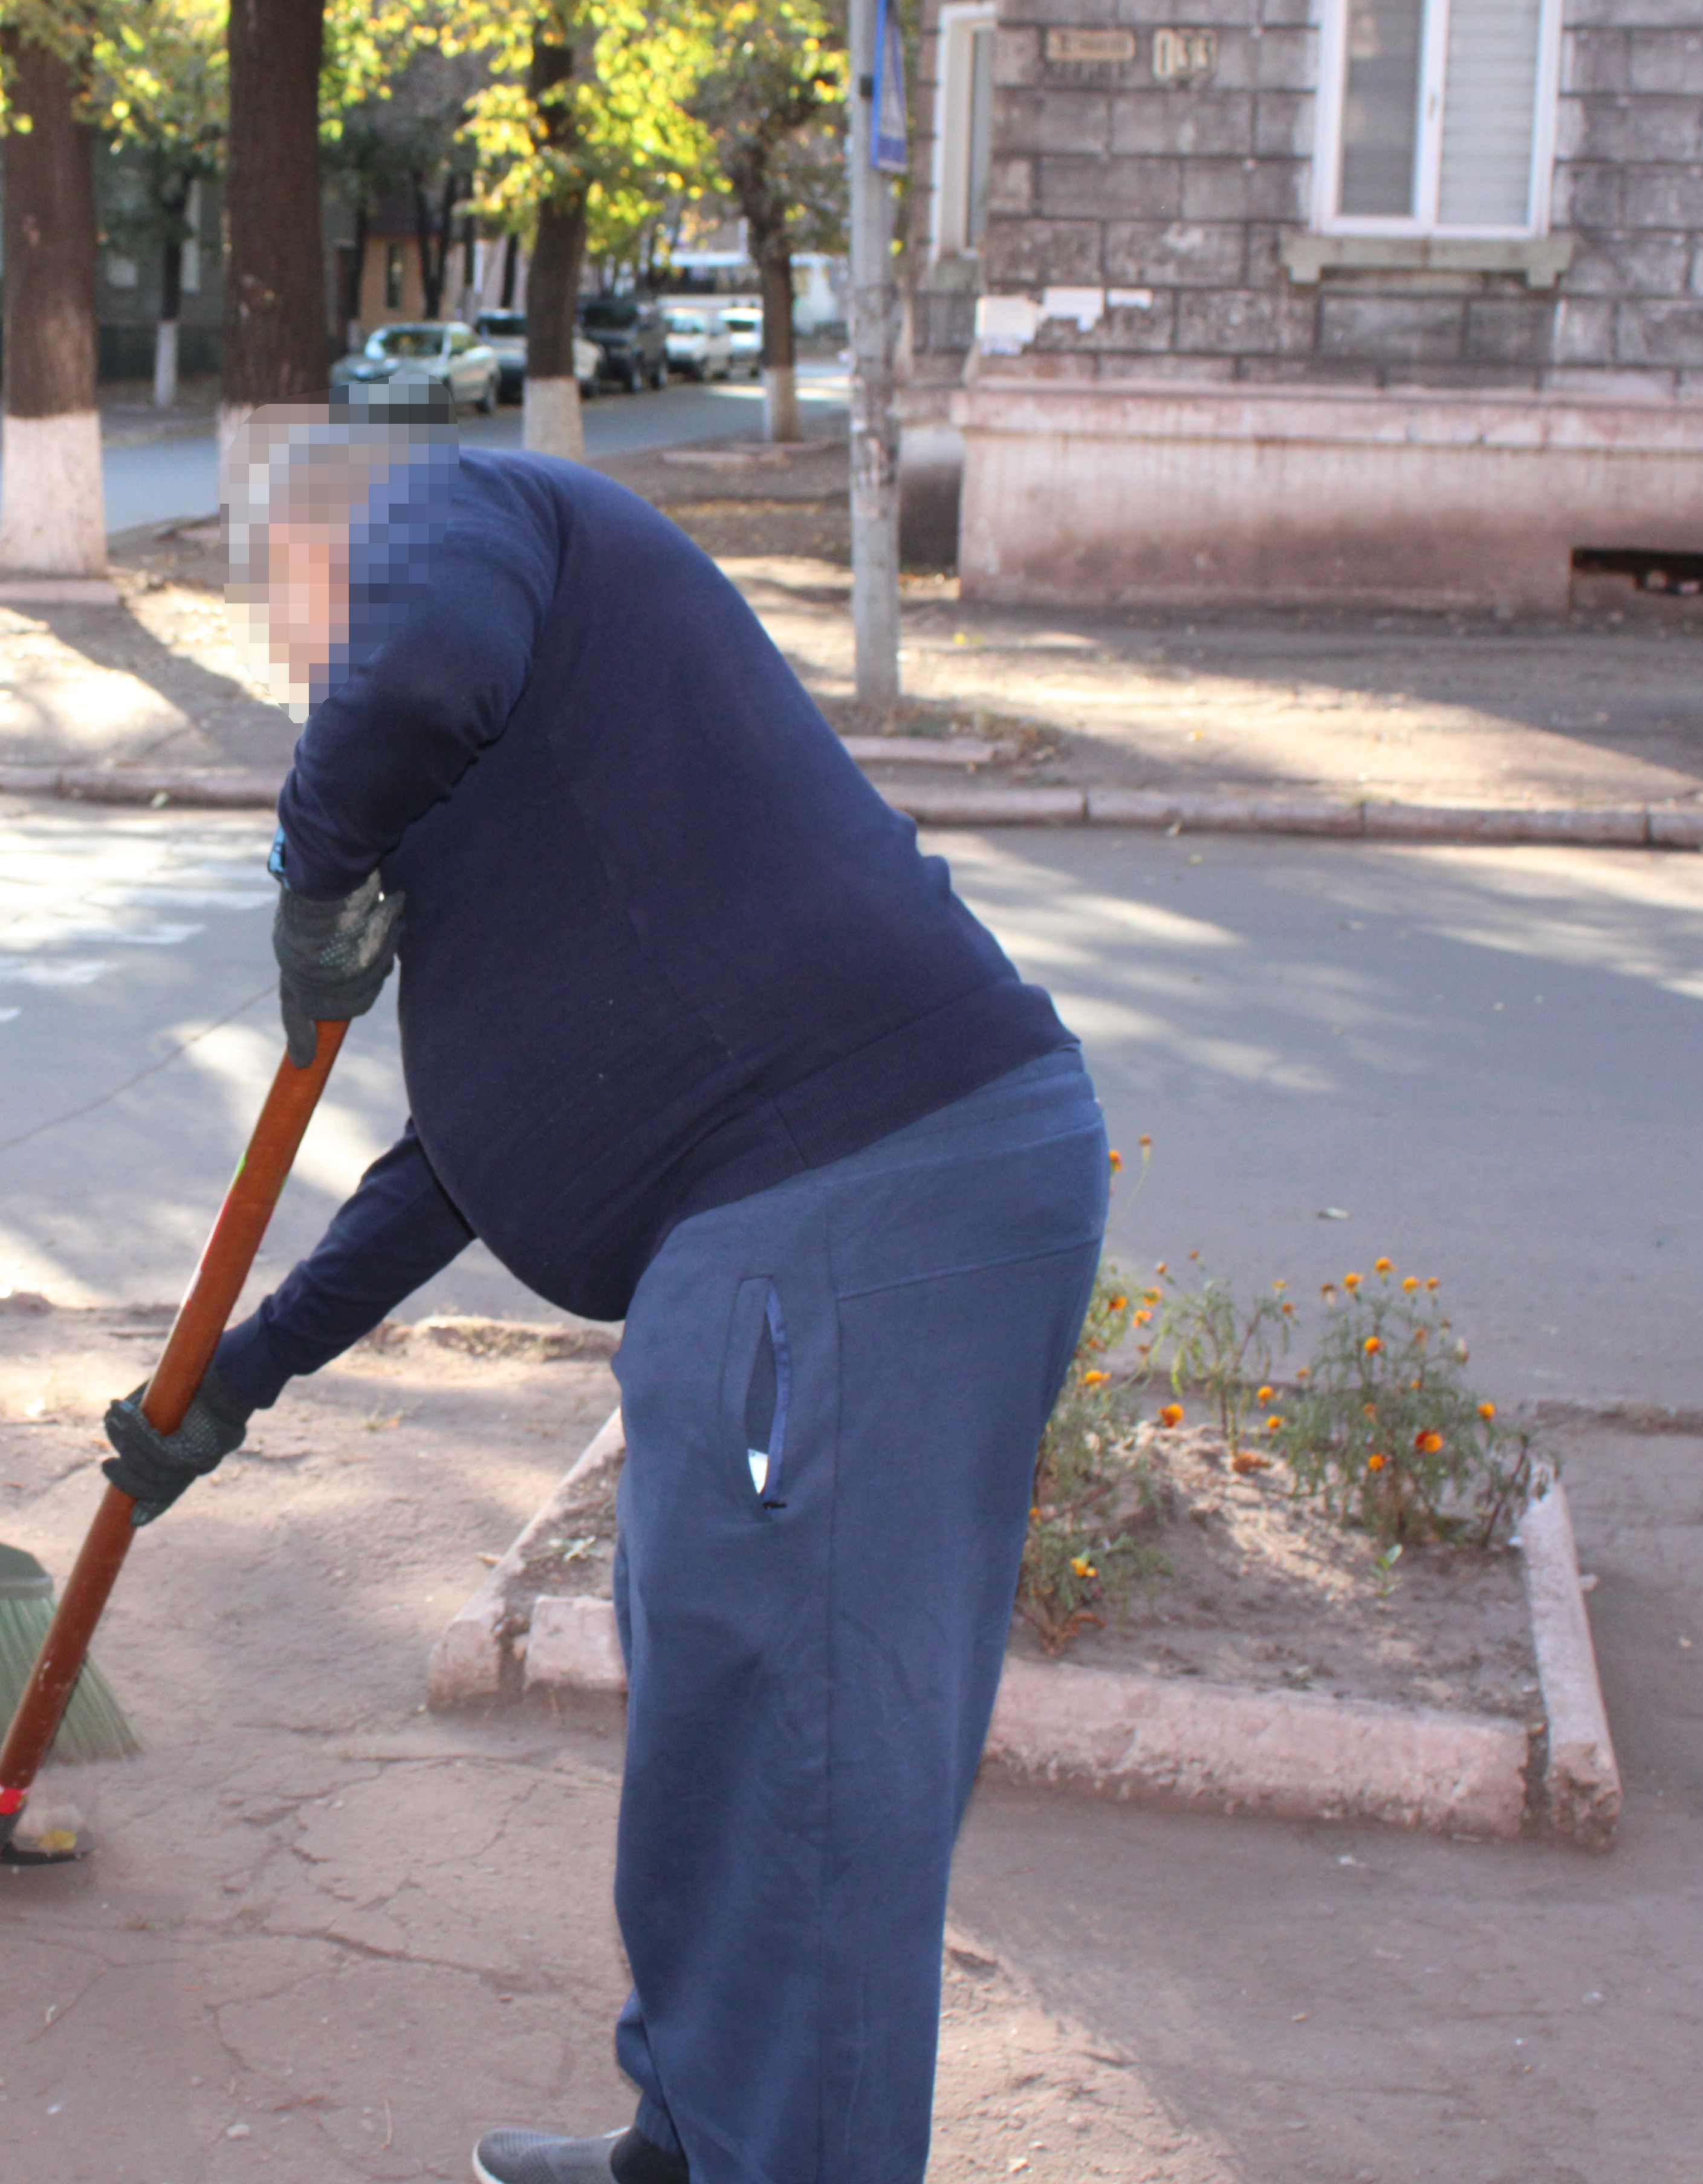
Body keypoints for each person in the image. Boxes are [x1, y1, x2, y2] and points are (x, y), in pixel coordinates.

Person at [97, 426, 1109, 2184]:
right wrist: (245, 1376)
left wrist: (320, 864)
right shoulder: (526, 762)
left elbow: (405, 670)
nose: (295, 674)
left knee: (807, 1790)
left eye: (288, 626)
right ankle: (693, 2144)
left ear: (323, 545)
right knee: (728, 1741)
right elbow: (463, 1158)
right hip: (808, 1227)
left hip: (852, 1209)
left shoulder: (447, 512)